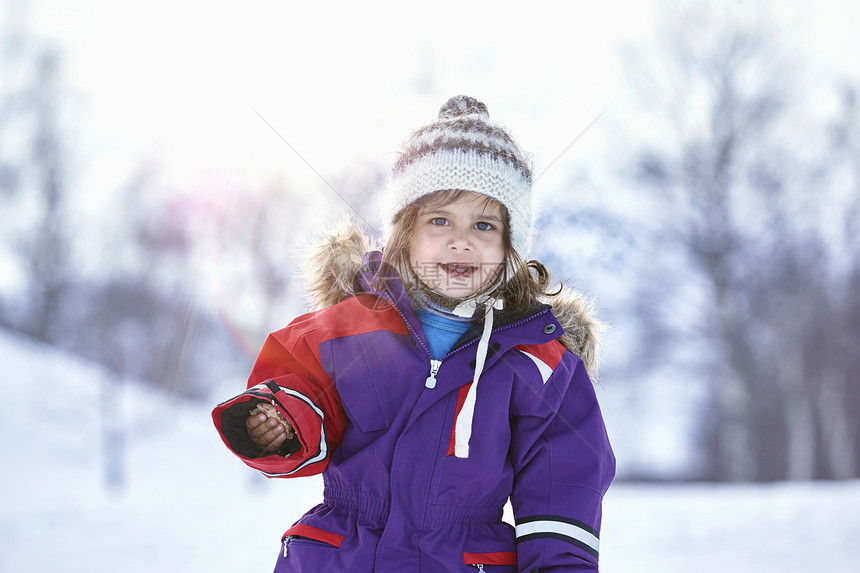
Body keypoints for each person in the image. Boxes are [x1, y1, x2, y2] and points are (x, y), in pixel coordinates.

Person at [212, 95, 615, 572]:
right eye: (439, 220)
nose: (461, 240)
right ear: (404, 230)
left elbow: (563, 480)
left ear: (510, 244)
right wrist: (282, 417)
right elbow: (304, 381)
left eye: (484, 225)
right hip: (342, 554)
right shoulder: (350, 327)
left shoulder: (538, 360)